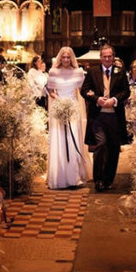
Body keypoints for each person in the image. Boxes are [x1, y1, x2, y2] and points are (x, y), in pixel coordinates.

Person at [80, 44, 131, 192]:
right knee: (101, 145)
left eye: (110, 56)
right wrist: (97, 99)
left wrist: (114, 100)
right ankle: (98, 180)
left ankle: (108, 180)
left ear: (113, 57)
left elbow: (126, 92)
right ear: (100, 57)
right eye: (104, 56)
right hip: (98, 117)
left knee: (114, 148)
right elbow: (84, 90)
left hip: (115, 117)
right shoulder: (92, 72)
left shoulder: (120, 72)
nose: (107, 59)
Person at [46, 47, 91, 189]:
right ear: (60, 58)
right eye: (63, 57)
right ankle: (59, 176)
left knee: (73, 141)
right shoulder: (53, 72)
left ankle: (74, 176)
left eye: (68, 57)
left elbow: (83, 90)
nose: (66, 60)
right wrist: (59, 100)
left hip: (73, 110)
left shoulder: (78, 72)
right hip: (59, 109)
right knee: (59, 140)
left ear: (72, 58)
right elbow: (50, 90)